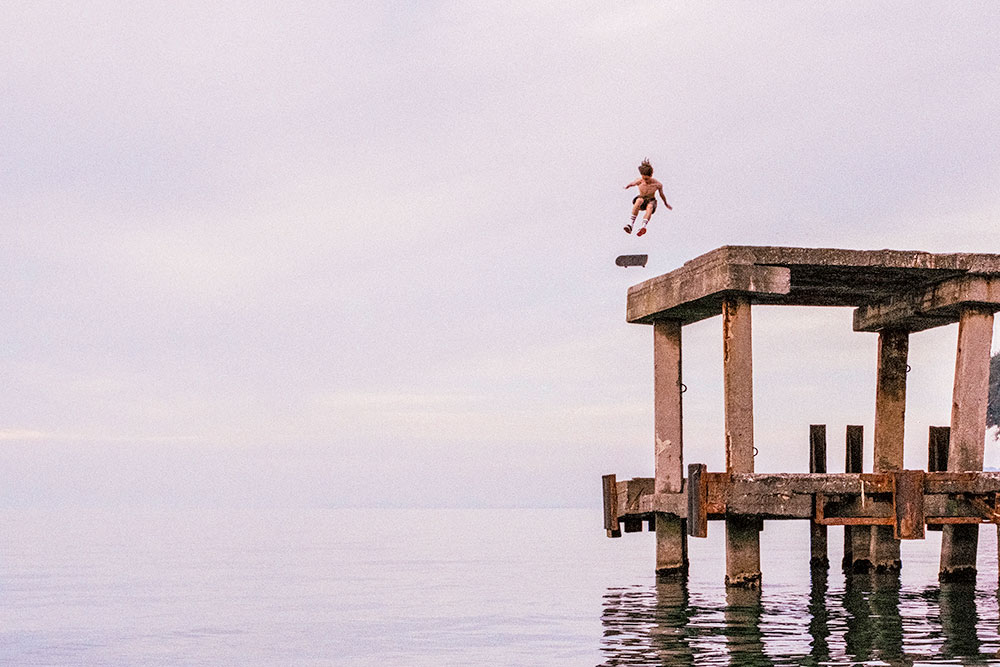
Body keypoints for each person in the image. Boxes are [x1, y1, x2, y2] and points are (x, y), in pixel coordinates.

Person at [623, 159, 671, 236]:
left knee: (650, 207)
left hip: (651, 200)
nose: (645, 180)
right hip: (641, 198)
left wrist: (665, 203)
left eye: (647, 179)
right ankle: (630, 224)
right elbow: (632, 183)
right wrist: (627, 186)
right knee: (638, 201)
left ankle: (643, 227)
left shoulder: (657, 184)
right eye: (644, 178)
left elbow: (661, 195)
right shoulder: (640, 181)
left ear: (651, 175)